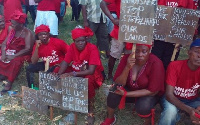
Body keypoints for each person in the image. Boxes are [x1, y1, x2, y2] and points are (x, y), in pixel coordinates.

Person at [100, 44, 165, 125]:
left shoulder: (156, 63)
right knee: (113, 91)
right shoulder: (127, 58)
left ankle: (148, 122)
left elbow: (153, 91)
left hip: (147, 94)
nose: (140, 54)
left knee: (143, 106)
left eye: (144, 51)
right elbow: (118, 83)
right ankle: (110, 118)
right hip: (130, 88)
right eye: (137, 51)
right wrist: (127, 67)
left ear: (150, 50)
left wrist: (126, 94)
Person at [58, 26, 105, 125]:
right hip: (78, 70)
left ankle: (90, 111)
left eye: (82, 41)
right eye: (77, 41)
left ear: (86, 40)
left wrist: (72, 74)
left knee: (87, 81)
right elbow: (66, 62)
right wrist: (59, 74)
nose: (80, 43)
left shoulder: (92, 48)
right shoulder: (72, 47)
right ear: (74, 41)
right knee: (58, 69)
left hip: (93, 74)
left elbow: (91, 71)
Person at [158, 39, 200, 125]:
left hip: (192, 100)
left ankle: (187, 117)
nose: (199, 56)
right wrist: (189, 109)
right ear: (189, 52)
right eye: (197, 52)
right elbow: (169, 95)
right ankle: (181, 114)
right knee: (171, 111)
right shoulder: (175, 66)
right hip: (173, 98)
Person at [152, 0, 197, 69]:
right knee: (154, 61)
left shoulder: (188, 1)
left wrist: (183, 38)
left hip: (175, 38)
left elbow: (189, 18)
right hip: (159, 35)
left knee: (169, 62)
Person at [0, 10, 34, 94]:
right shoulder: (12, 31)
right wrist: (4, 53)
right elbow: (4, 43)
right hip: (12, 51)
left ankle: (9, 81)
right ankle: (3, 74)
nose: (11, 25)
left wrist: (14, 56)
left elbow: (28, 49)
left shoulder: (27, 33)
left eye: (14, 24)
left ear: (21, 24)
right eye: (12, 23)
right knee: (2, 55)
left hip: (23, 54)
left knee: (16, 61)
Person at [100, 0, 125, 80]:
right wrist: (112, 19)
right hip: (120, 31)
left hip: (135, 32)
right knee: (114, 55)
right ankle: (110, 75)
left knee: (130, 55)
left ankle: (127, 77)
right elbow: (102, 3)